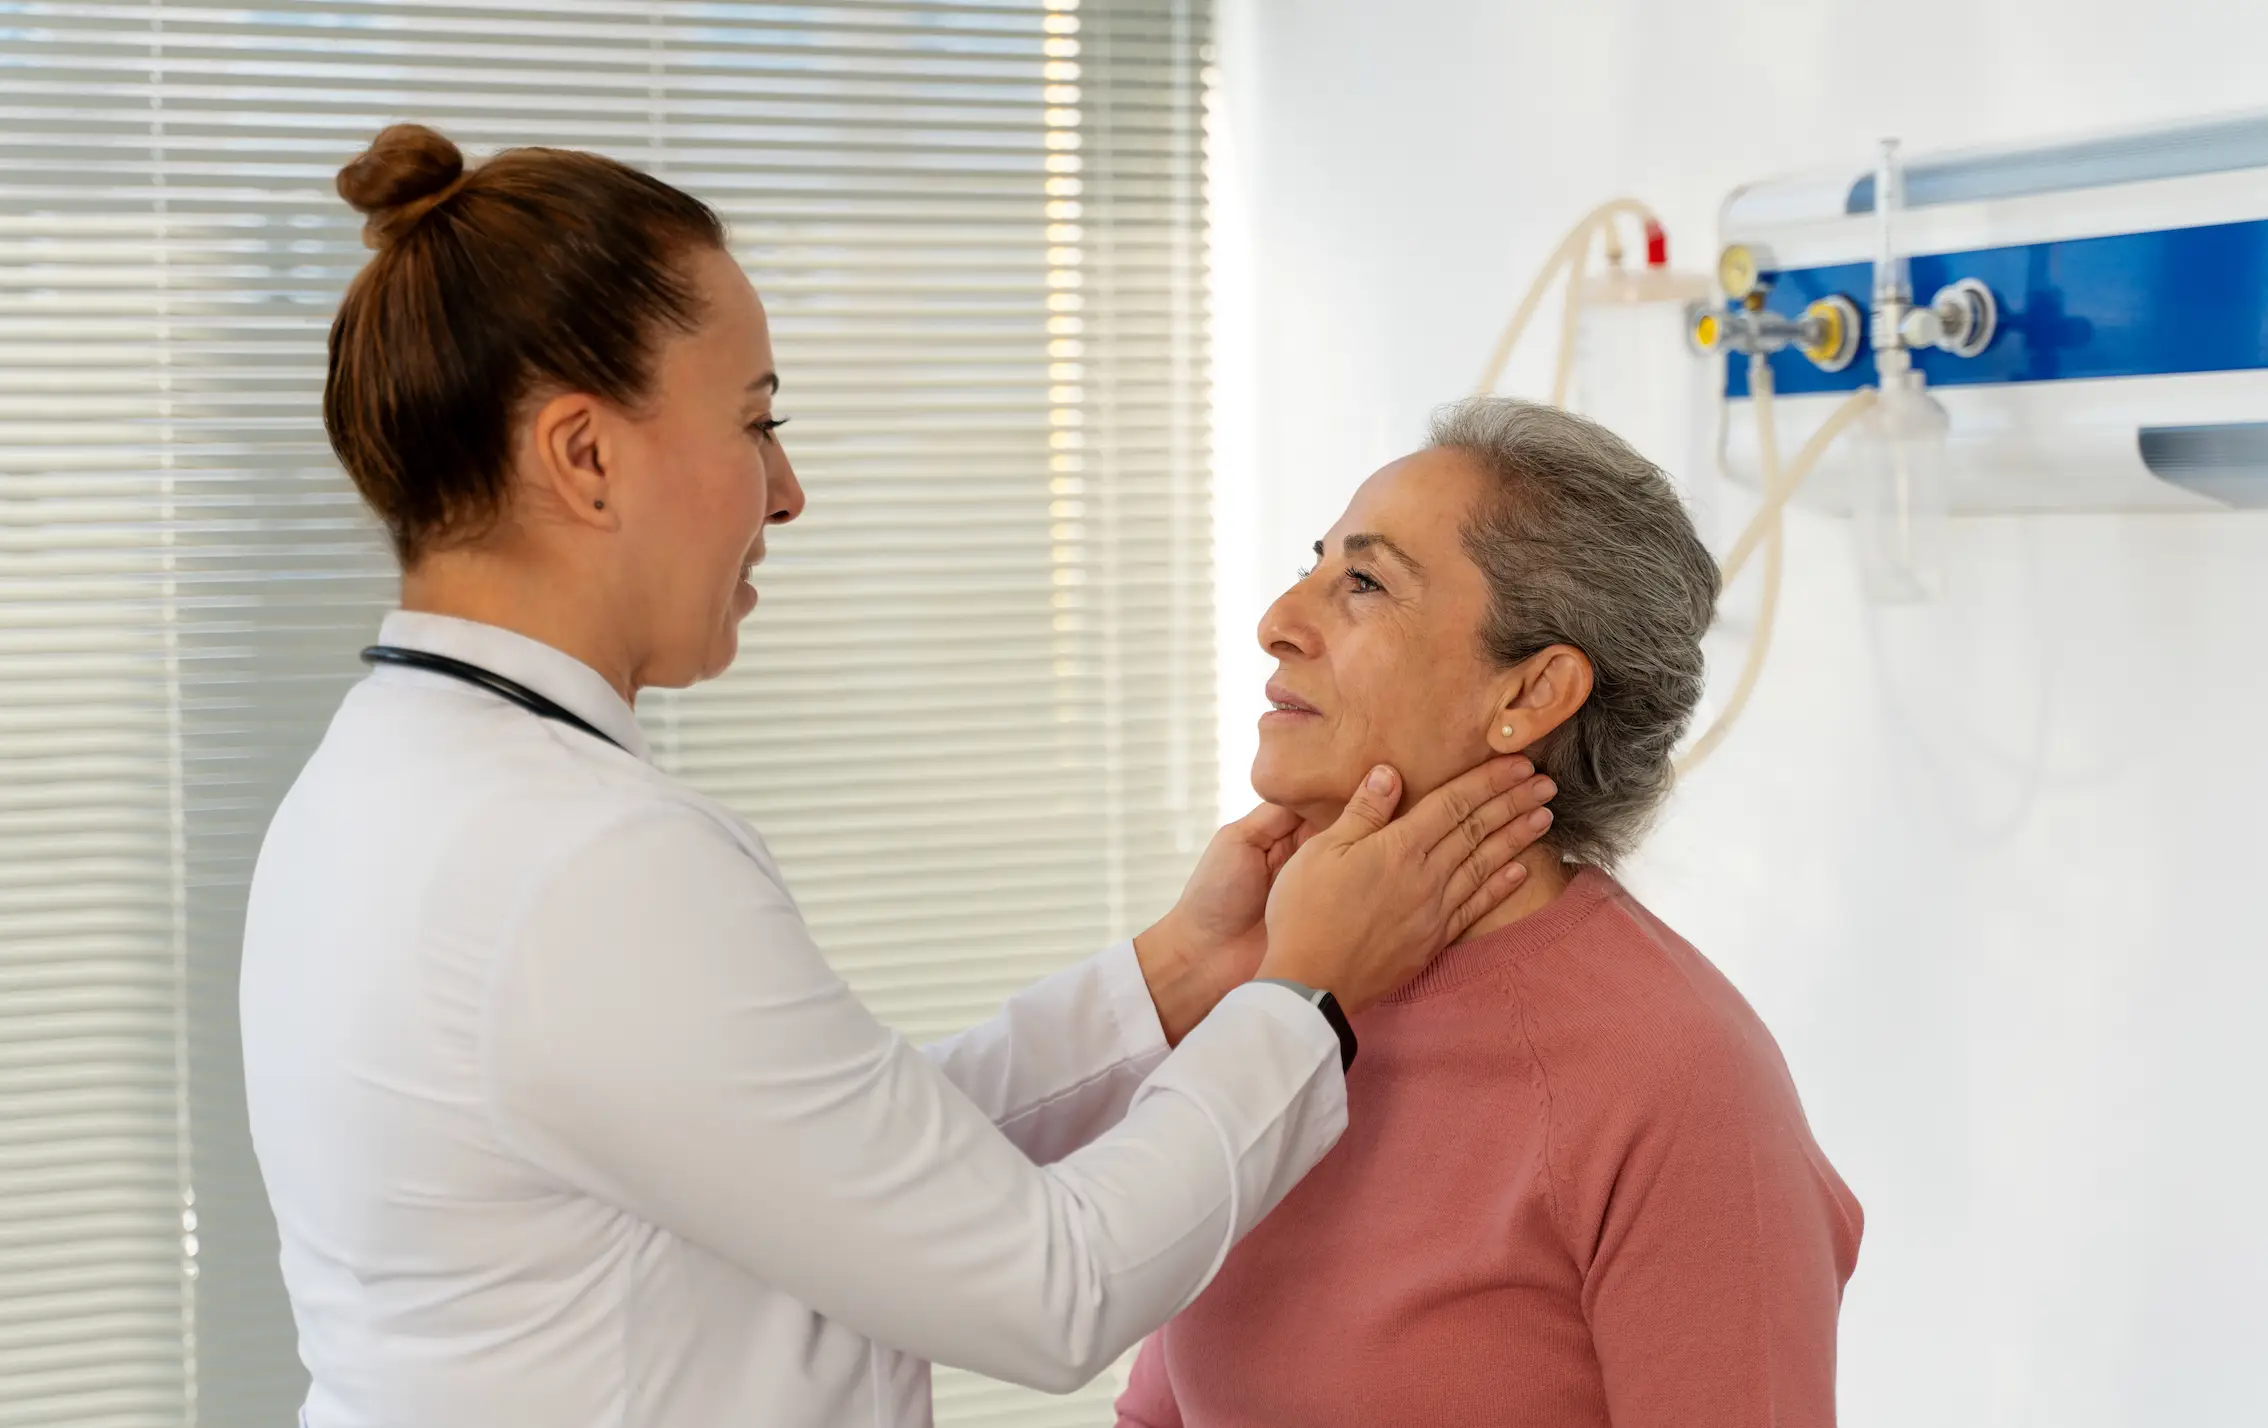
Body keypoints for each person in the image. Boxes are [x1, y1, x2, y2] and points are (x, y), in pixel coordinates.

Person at [236, 126, 1560, 1428]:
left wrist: (1174, 977)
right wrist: (1301, 995)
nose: (789, 490)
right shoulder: (582, 864)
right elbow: (1052, 1287)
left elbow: (828, 1159)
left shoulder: (373, 790)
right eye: (757, 423)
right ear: (584, 457)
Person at [1116, 398, 1864, 1428]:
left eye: (1364, 583)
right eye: (1316, 563)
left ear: (1534, 691)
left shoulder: (1676, 1079)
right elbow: (1160, 1410)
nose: (1280, 620)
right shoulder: (1275, 991)